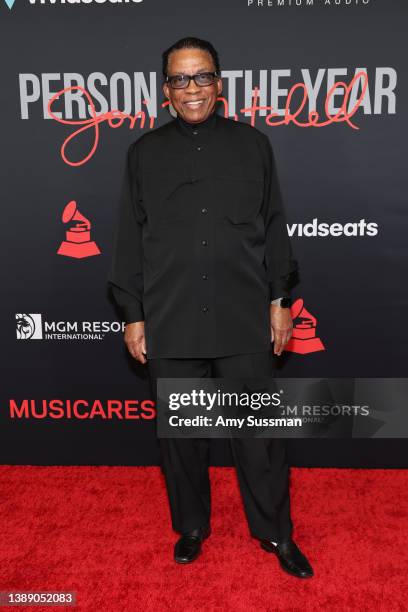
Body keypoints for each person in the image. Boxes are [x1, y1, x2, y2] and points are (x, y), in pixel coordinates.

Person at [108, 36, 314, 578]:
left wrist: (279, 300)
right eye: (180, 79)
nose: (192, 88)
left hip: (244, 317)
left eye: (202, 77)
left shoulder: (254, 146)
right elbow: (130, 238)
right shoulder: (143, 154)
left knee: (262, 440)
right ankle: (192, 527)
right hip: (172, 320)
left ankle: (276, 534)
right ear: (166, 91)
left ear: (219, 85)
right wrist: (133, 313)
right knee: (180, 439)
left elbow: (274, 228)